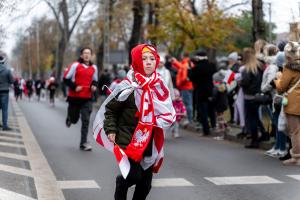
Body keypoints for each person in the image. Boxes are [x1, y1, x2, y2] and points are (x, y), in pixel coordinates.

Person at [93, 44, 175, 200]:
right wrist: (111, 129)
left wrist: (160, 120)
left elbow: (167, 111)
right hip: (128, 139)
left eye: (152, 58)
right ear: (137, 60)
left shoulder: (159, 86)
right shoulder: (126, 86)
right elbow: (110, 110)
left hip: (149, 141)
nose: (149, 62)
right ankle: (120, 184)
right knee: (133, 176)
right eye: (144, 59)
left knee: (145, 185)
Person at [63, 47, 98, 151]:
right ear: (81, 55)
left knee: (86, 120)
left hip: (87, 98)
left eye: (88, 53)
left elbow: (95, 81)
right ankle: (70, 117)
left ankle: (83, 143)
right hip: (74, 98)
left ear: (91, 55)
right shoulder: (75, 65)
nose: (87, 55)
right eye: (85, 53)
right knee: (74, 120)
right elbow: (65, 78)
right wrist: (74, 87)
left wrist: (94, 86)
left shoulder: (94, 68)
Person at [275, 41, 300, 165]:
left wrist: (278, 78)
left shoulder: (289, 68)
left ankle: (296, 157)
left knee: (295, 131)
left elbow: (281, 88)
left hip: (293, 104)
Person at [240, 48, 264, 148]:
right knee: (256, 117)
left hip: (249, 96)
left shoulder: (247, 69)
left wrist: (240, 83)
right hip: (258, 95)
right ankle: (263, 133)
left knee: (251, 119)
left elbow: (245, 82)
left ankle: (255, 140)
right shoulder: (259, 67)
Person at [189, 51, 217, 135]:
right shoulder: (212, 66)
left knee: (203, 111)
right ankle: (213, 125)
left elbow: (191, 78)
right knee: (211, 109)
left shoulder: (196, 68)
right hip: (211, 90)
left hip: (200, 90)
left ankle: (206, 130)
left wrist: (190, 69)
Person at [0, 52, 14, 131]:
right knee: (4, 109)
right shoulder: (7, 71)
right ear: (3, 62)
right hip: (4, 92)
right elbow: (12, 81)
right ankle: (5, 126)